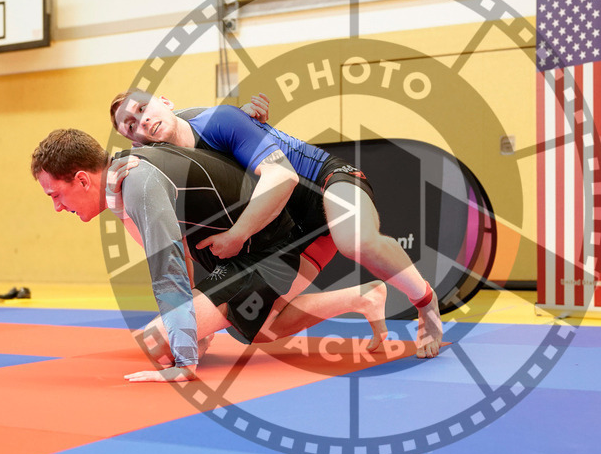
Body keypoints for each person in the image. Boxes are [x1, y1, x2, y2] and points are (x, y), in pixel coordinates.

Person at [31, 128, 389, 382]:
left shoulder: (137, 183)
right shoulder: (121, 181)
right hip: (238, 253)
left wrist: (184, 361)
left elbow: (166, 270)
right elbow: (179, 256)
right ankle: (363, 297)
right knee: (259, 329)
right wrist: (193, 324)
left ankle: (365, 296)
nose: (57, 208)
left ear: (81, 179)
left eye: (54, 195)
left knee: (158, 341)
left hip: (274, 248)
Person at [109, 90, 444, 358]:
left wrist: (238, 234)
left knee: (355, 239)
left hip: (319, 181)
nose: (141, 120)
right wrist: (120, 206)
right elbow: (171, 244)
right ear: (134, 141)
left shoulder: (218, 119)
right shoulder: (165, 166)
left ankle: (426, 304)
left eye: (142, 108)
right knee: (257, 327)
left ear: (165, 101)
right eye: (129, 125)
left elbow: (283, 176)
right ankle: (364, 297)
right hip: (284, 224)